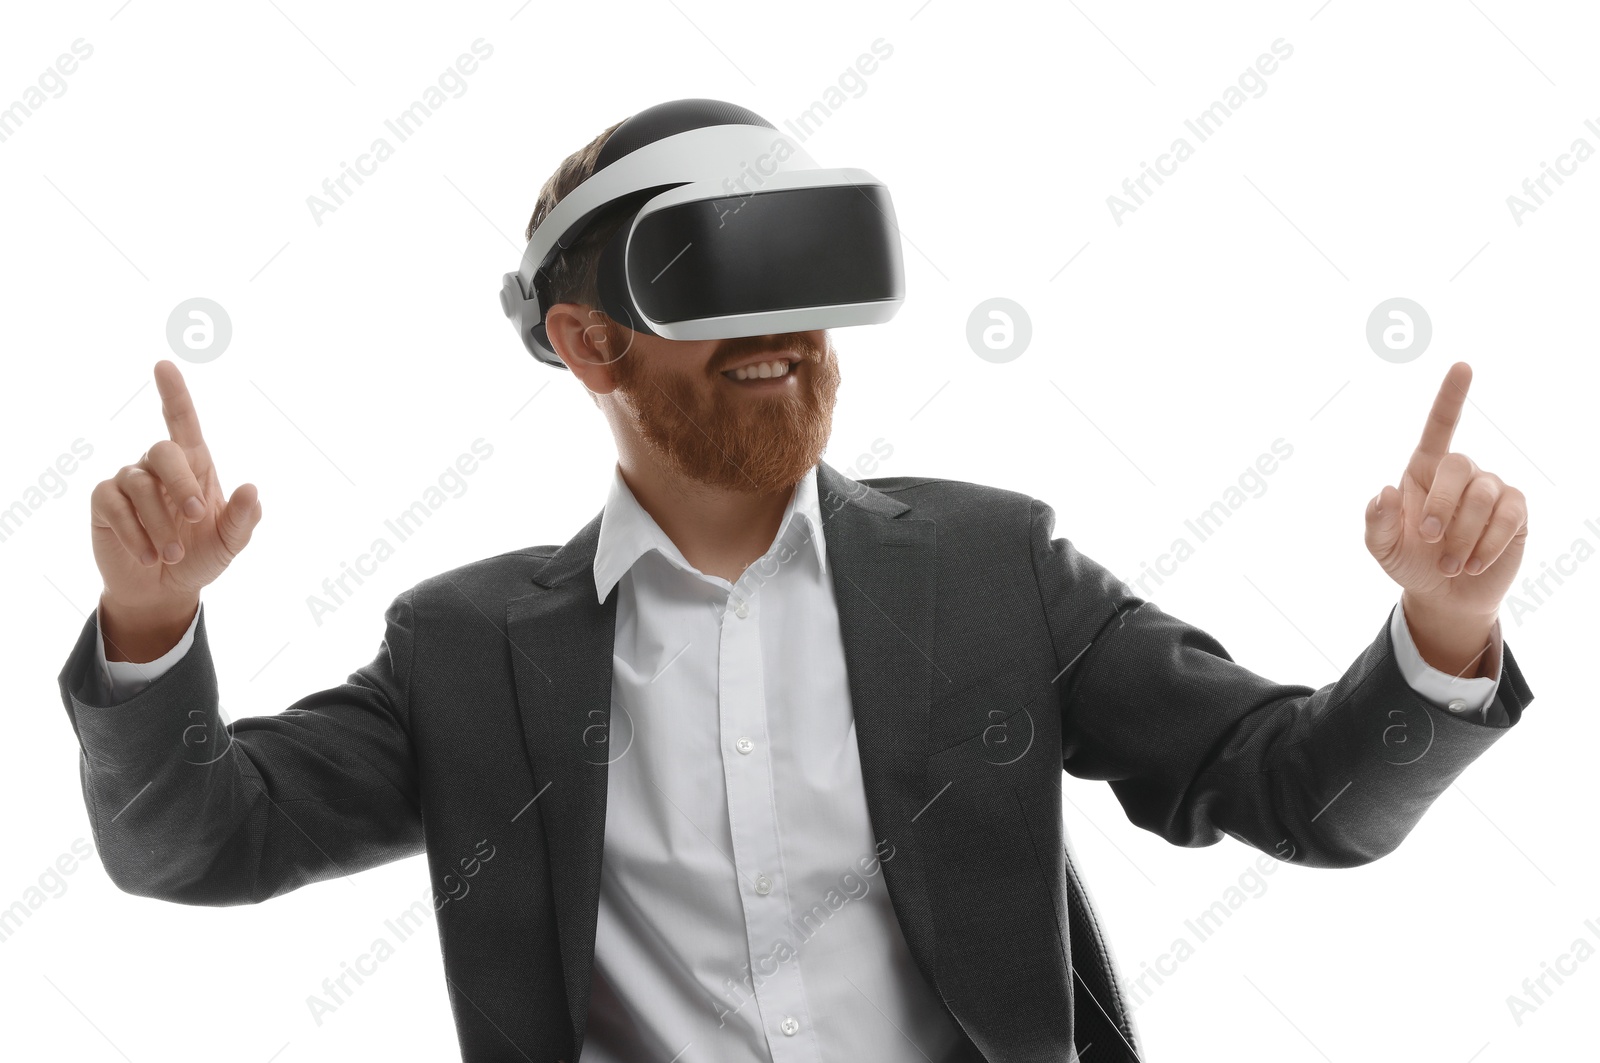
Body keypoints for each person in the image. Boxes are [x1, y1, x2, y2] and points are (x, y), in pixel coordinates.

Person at [59, 107, 1534, 1063]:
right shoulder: (464, 649)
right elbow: (197, 847)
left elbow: (1296, 794)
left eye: (806, 276)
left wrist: (1441, 629)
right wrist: (151, 623)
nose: (786, 329)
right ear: (588, 344)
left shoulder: (988, 571)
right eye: (720, 275)